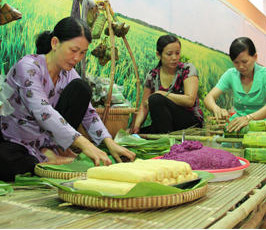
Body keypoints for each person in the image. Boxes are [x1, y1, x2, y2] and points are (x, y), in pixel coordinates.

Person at [0, 17, 136, 182]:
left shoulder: (69, 73)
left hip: (47, 138)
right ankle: (48, 156)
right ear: (55, 43)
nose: (77, 58)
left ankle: (51, 151)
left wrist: (109, 143)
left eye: (83, 53)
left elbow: (88, 112)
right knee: (5, 160)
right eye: (73, 50)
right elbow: (43, 111)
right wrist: (86, 145)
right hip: (15, 138)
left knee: (81, 88)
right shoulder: (28, 67)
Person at [204, 37, 266, 133]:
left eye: (244, 61)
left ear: (255, 57)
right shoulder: (231, 74)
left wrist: (248, 118)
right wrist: (215, 108)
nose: (241, 67)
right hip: (237, 125)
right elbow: (209, 98)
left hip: (263, 125)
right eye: (236, 63)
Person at [133, 34, 203, 134]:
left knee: (155, 98)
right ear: (159, 55)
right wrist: (136, 126)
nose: (174, 57)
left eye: (177, 53)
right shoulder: (152, 75)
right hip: (166, 123)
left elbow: (189, 101)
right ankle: (164, 137)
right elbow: (144, 105)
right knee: (136, 133)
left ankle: (166, 139)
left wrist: (162, 93)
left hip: (190, 121)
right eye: (169, 54)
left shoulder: (187, 69)